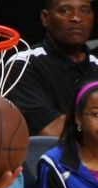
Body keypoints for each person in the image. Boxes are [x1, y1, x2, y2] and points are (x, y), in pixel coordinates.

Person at [6, 0, 98, 137]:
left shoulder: (96, 65)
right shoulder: (23, 64)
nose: (77, 18)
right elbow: (50, 130)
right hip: (44, 156)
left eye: (84, 11)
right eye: (65, 11)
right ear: (45, 18)